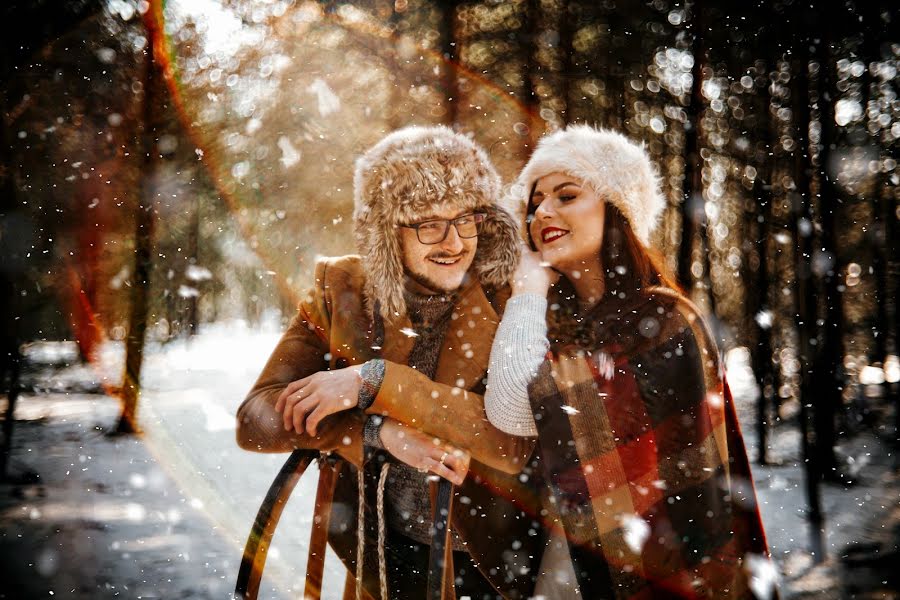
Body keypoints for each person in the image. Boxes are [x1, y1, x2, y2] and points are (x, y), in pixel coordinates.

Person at [236, 126, 539, 600]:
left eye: (466, 219)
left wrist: (375, 382)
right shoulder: (344, 290)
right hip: (376, 556)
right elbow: (256, 419)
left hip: (489, 565)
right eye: (427, 223)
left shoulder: (514, 295)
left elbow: (513, 439)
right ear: (386, 233)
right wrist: (374, 435)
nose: (454, 242)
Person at [483, 125, 775, 599]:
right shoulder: (545, 323)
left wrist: (527, 292)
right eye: (535, 202)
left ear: (615, 210)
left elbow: (517, 405)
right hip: (562, 572)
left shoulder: (664, 320)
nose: (543, 212)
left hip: (662, 568)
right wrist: (530, 294)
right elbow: (510, 411)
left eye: (567, 194)